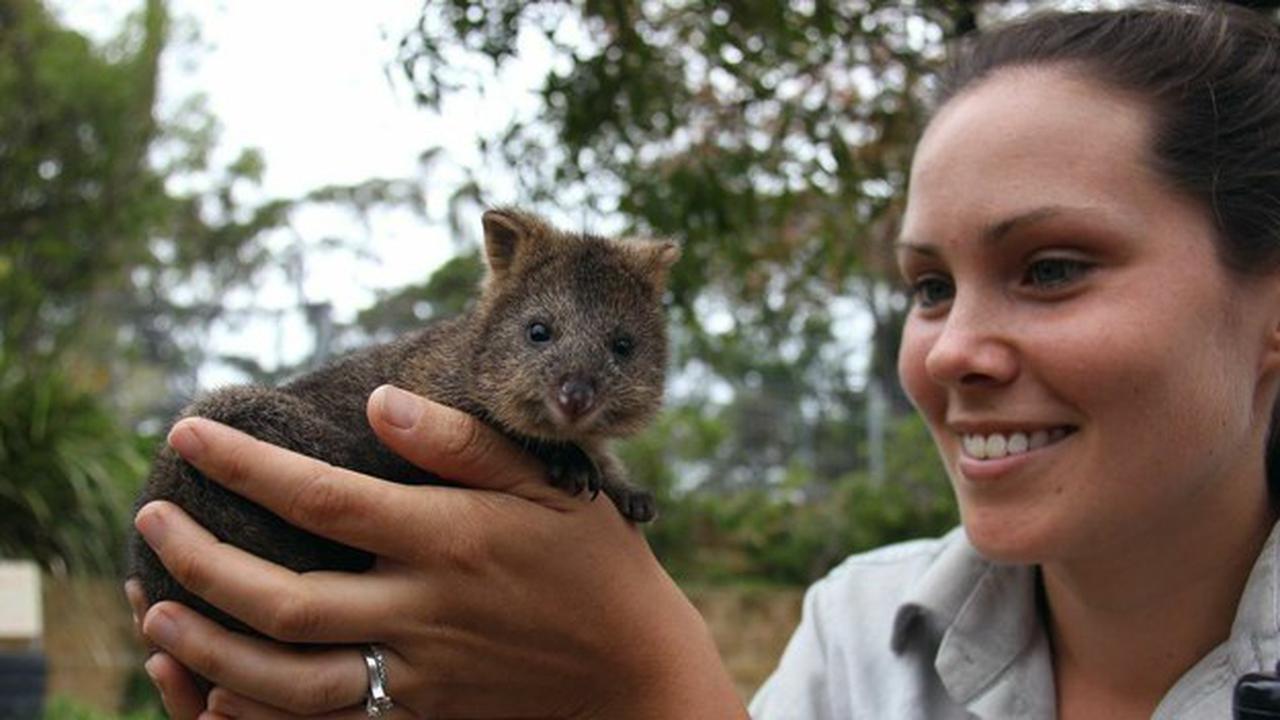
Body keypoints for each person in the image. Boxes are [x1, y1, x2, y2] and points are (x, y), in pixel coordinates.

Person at [127, 2, 1280, 718]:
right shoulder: (862, 635)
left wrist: (637, 683)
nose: (953, 353)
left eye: (1051, 268)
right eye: (925, 286)